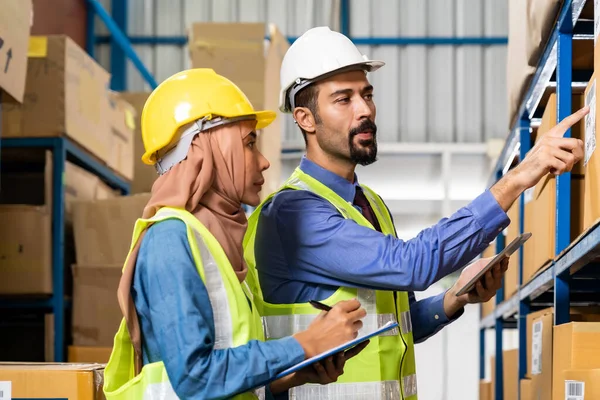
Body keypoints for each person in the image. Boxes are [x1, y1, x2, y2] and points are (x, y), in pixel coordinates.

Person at [243, 27, 587, 399]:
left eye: (367, 94)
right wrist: (517, 178)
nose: (365, 110)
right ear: (305, 118)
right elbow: (412, 265)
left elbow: (397, 326)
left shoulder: (368, 203)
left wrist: (454, 297)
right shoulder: (293, 213)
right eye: (343, 99)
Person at [102, 68, 371, 400]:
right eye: (249, 143)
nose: (263, 162)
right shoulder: (169, 239)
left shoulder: (216, 243)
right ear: (208, 149)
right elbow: (193, 378)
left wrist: (294, 374)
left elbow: (224, 375)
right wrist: (303, 343)